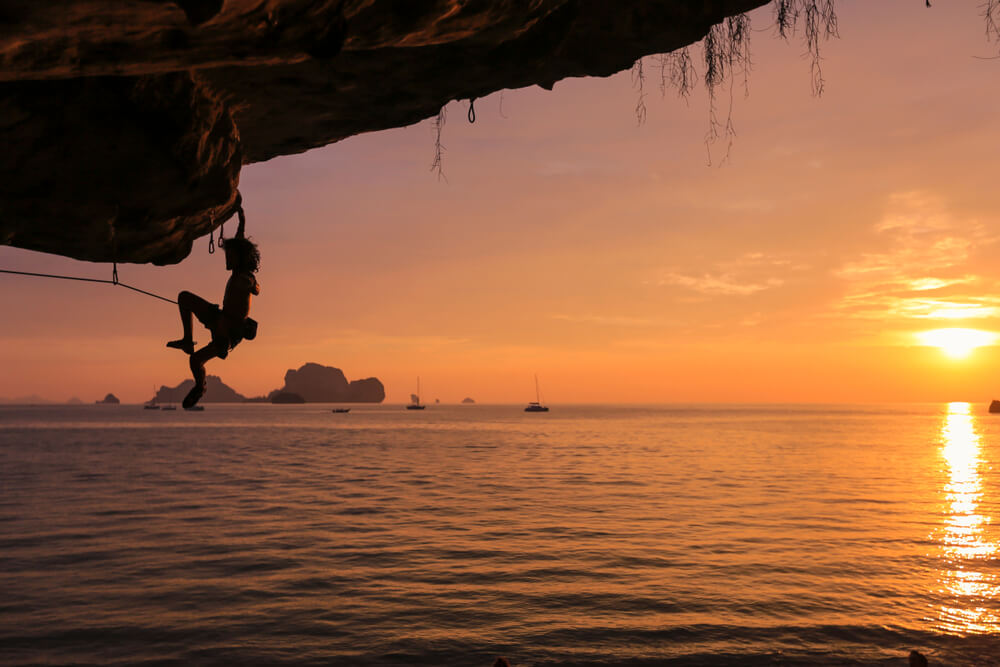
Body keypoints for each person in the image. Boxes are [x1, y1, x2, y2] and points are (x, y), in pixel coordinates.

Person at [167, 235, 260, 408]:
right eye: (227, 254)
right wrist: (240, 217)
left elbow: (255, 288)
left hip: (228, 333)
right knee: (184, 298)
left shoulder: (245, 277)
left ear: (240, 258)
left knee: (195, 361)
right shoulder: (237, 273)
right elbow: (240, 241)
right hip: (219, 317)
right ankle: (187, 340)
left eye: (230, 256)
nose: (227, 258)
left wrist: (251, 283)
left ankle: (200, 387)